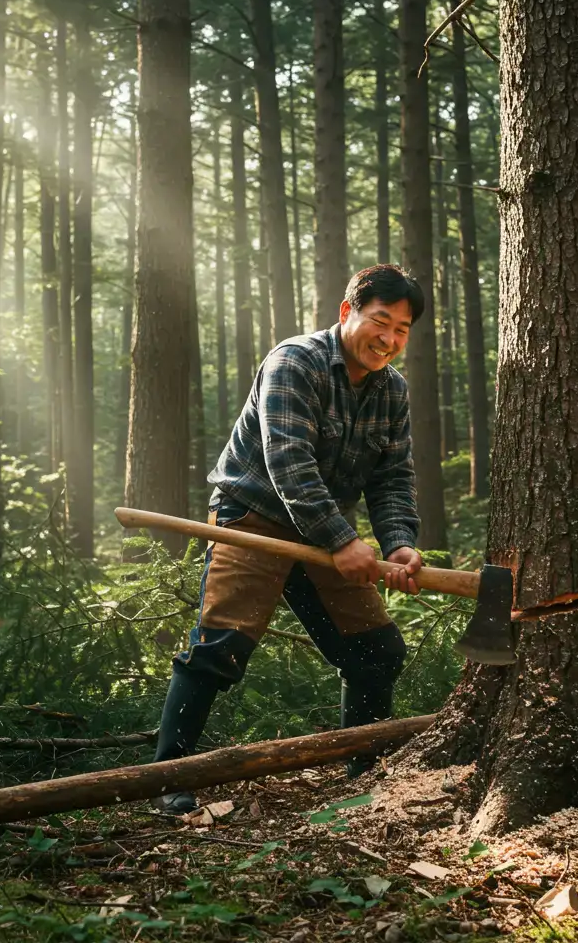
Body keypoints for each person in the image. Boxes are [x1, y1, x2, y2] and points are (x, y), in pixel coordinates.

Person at [151, 264, 426, 814]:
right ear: (348, 312)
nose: (388, 339)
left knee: (376, 650)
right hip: (253, 515)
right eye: (380, 321)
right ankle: (165, 780)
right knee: (220, 648)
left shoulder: (391, 390)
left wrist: (397, 542)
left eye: (401, 330)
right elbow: (288, 463)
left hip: (327, 528)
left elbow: (392, 477)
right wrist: (344, 541)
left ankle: (362, 773)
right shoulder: (294, 362)